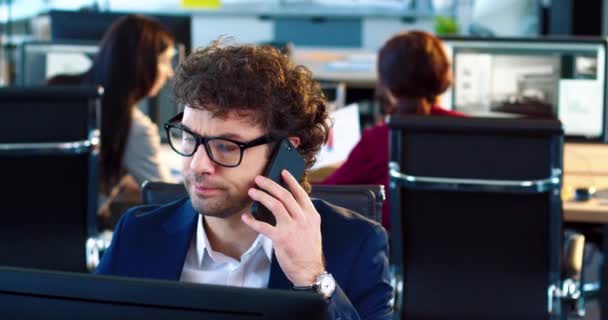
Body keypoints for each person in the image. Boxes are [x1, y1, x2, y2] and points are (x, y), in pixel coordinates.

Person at [96, 42, 393, 319]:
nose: (198, 165)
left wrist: (313, 278)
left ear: (284, 152)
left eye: (226, 146)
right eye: (189, 138)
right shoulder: (138, 233)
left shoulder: (355, 244)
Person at [322, 31, 465, 231]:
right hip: (468, 252)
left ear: (387, 82)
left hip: (390, 255)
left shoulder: (379, 140)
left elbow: (323, 195)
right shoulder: (471, 132)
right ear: (444, 76)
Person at [46, 15, 176, 225]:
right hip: (74, 240)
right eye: (165, 61)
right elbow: (170, 202)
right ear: (142, 62)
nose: (170, 73)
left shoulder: (55, 88)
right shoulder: (134, 127)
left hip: (19, 232)